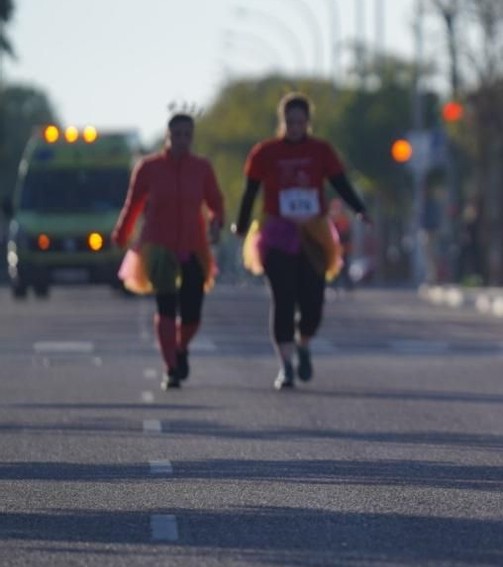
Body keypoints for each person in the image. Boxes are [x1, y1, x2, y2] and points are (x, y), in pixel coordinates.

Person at [233, 93, 370, 390]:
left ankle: (303, 343)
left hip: (314, 233)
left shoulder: (321, 150)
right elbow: (250, 191)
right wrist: (242, 224)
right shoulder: (265, 152)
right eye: (289, 121)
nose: (294, 127)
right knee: (283, 299)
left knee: (313, 303)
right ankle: (285, 366)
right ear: (282, 122)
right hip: (277, 233)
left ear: (308, 122)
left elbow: (339, 183)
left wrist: (359, 209)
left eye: (300, 122)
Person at [112, 111, 226, 391]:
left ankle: (181, 346)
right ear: (168, 135)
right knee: (165, 307)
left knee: (192, 312)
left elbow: (216, 202)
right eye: (177, 134)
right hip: (159, 247)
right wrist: (121, 233)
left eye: (188, 135)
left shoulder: (202, 168)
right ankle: (171, 367)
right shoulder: (149, 168)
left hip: (194, 246)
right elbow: (133, 203)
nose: (183, 140)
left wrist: (216, 222)